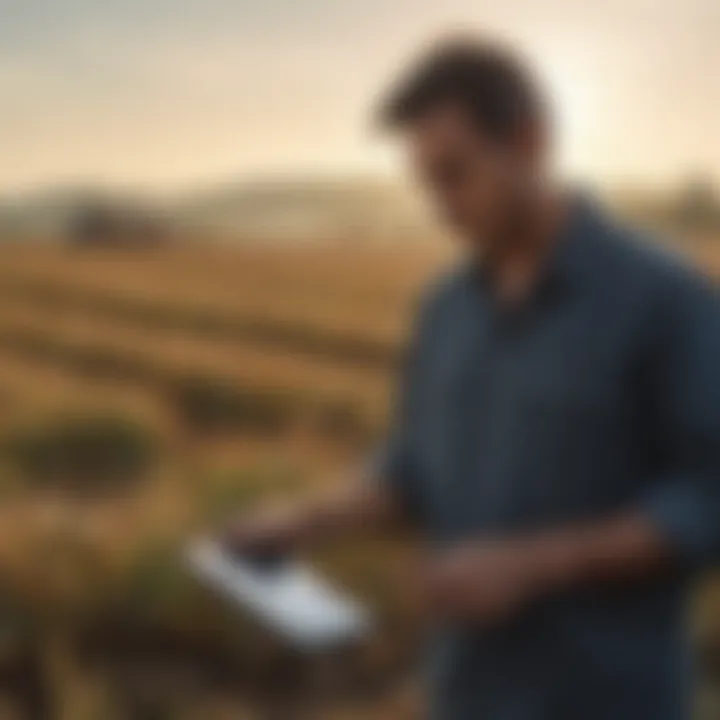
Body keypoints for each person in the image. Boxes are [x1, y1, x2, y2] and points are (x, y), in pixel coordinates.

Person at [226, 35, 720, 719]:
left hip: (606, 699)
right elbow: (415, 472)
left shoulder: (666, 300)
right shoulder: (444, 308)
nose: (440, 206)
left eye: (455, 175)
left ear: (530, 142)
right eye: (425, 183)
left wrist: (530, 566)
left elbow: (705, 499)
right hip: (465, 693)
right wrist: (299, 523)